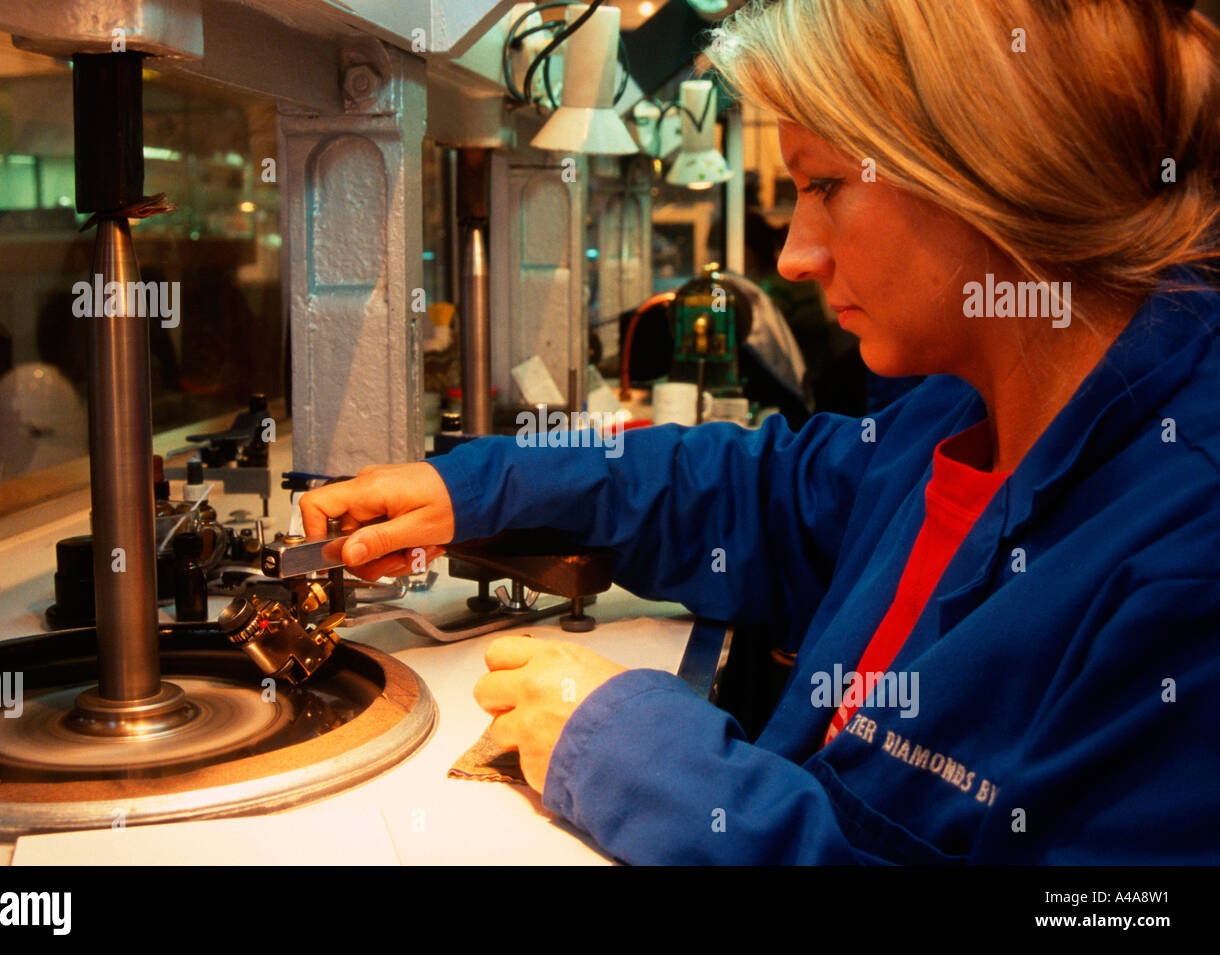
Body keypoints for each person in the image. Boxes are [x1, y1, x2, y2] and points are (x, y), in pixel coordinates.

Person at [301, 0, 1219, 863]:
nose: (793, 255)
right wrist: (476, 486)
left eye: (825, 185)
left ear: (993, 167)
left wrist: (640, 758)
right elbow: (755, 490)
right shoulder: (961, 408)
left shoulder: (1187, 560)